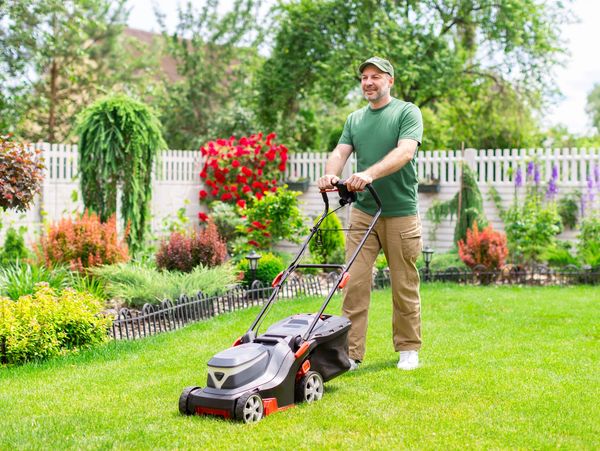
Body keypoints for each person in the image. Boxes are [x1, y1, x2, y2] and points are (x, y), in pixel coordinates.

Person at [317, 56, 423, 371]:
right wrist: (329, 175)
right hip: (364, 213)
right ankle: (350, 354)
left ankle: (408, 349)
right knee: (355, 282)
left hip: (400, 212)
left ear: (390, 80)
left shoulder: (406, 112)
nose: (368, 82)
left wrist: (370, 174)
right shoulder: (355, 119)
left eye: (375, 76)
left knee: (404, 283)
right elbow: (340, 152)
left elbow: (406, 152)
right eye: (364, 77)